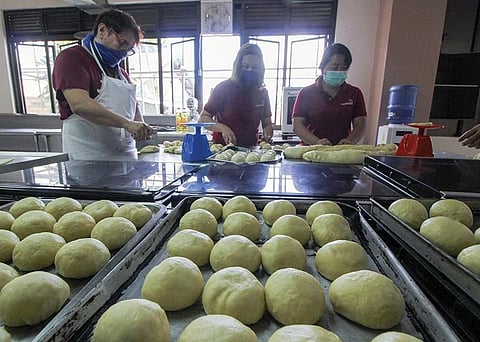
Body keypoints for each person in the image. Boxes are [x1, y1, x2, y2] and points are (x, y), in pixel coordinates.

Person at [53, 9, 153, 161]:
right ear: (102, 31)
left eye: (129, 50)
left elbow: (134, 108)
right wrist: (126, 124)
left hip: (126, 157)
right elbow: (80, 104)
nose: (124, 53)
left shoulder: (121, 73)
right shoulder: (73, 58)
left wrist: (141, 127)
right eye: (123, 44)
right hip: (89, 159)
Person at [198, 43, 273, 147]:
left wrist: (268, 133)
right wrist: (223, 128)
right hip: (222, 149)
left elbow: (267, 123)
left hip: (250, 150)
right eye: (246, 66)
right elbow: (203, 119)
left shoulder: (262, 93)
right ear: (238, 66)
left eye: (255, 67)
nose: (250, 70)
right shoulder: (223, 89)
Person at [292, 43, 367, 146]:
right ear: (323, 67)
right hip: (311, 150)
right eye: (335, 67)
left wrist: (349, 141)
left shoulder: (354, 93)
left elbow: (361, 124)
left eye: (344, 68)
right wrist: (317, 142)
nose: (339, 72)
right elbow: (298, 124)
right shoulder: (306, 93)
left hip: (341, 151)